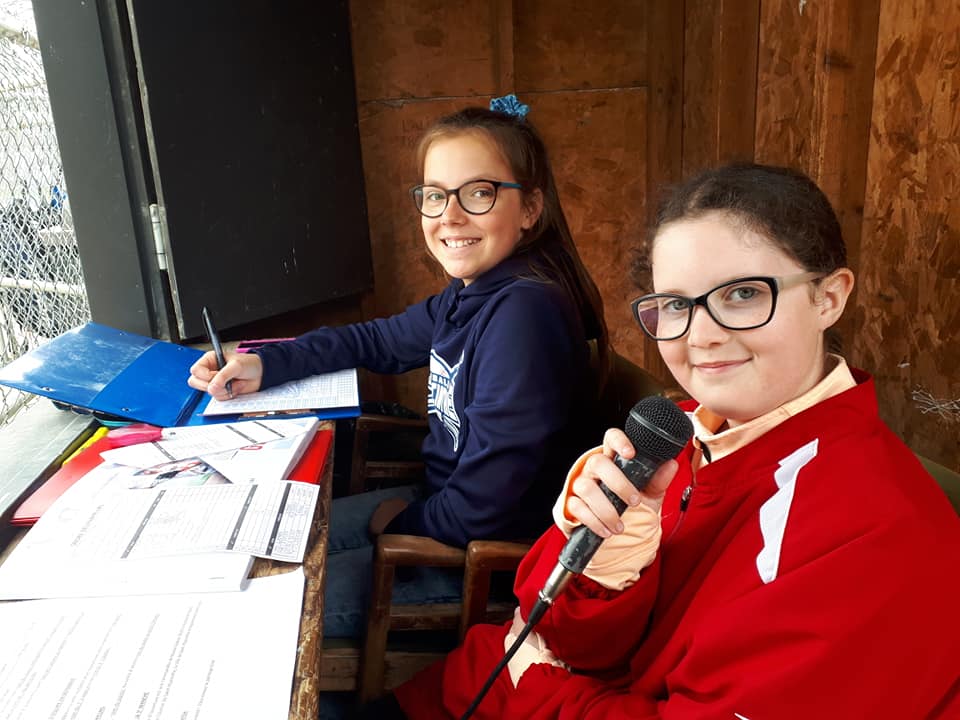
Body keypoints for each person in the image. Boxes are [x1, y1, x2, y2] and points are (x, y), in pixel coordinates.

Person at [386, 163, 960, 719]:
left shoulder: (877, 534)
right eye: (677, 305)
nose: (701, 336)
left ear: (829, 297)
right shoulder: (676, 432)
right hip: (465, 687)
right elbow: (555, 628)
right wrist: (605, 572)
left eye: (742, 294)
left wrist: (533, 683)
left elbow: (538, 654)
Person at [187, 95, 609, 641]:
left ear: (530, 209)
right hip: (439, 514)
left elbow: (485, 507)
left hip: (478, 561)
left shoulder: (524, 313)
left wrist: (401, 523)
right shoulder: (477, 290)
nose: (449, 216)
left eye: (478, 193)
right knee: (248, 546)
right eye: (435, 196)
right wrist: (267, 363)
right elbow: (379, 340)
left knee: (250, 607)